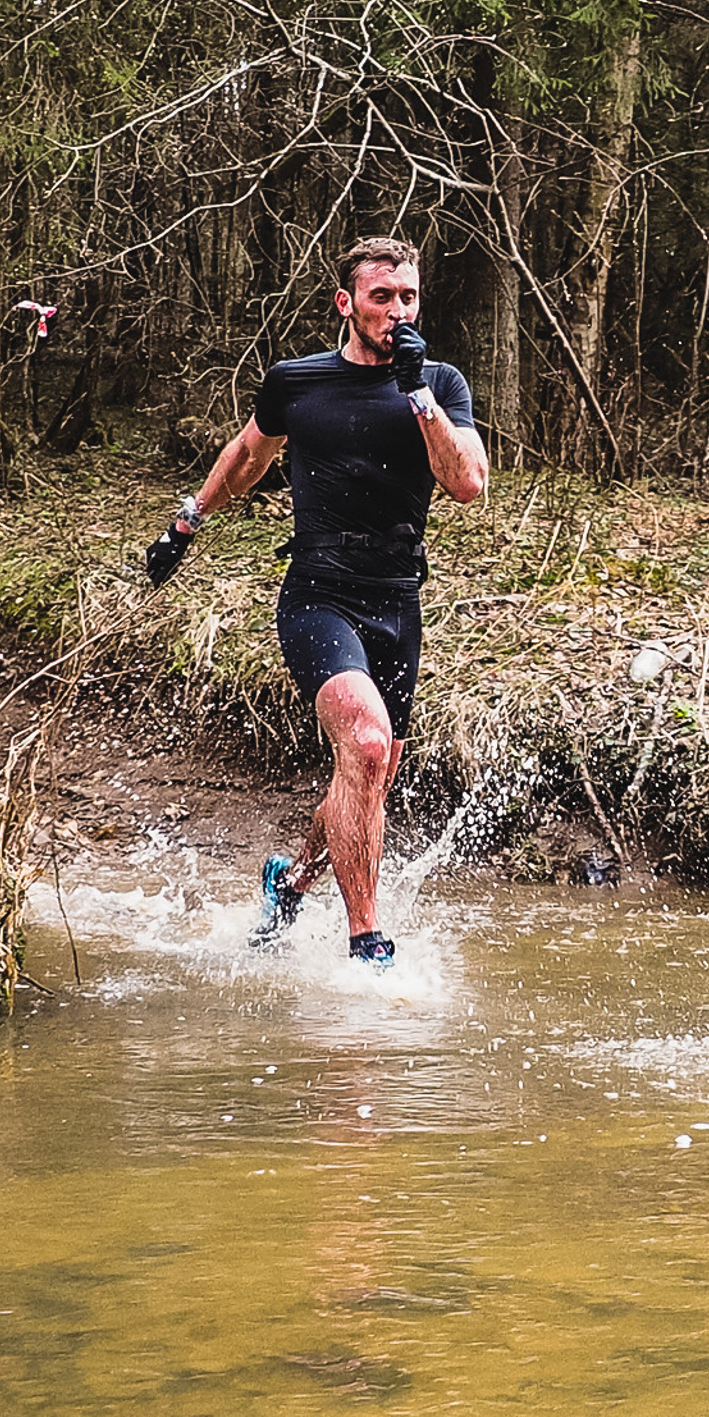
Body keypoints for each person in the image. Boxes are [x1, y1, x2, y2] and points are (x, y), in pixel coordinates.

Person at [145, 237, 486, 960]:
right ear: (347, 303)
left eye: (408, 297)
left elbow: (467, 483)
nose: (397, 311)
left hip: (397, 601)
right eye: (381, 297)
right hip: (318, 594)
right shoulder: (298, 382)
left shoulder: (439, 384)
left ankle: (292, 882)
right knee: (366, 741)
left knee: (370, 772)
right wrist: (187, 522)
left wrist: (419, 394)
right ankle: (368, 942)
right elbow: (247, 455)